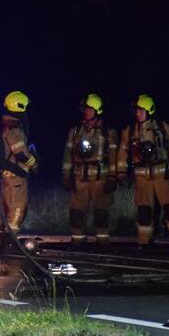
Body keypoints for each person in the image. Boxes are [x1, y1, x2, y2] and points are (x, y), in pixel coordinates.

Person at [116, 94, 169, 246]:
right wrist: (121, 173)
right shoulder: (130, 130)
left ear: (149, 110)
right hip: (142, 177)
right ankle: (144, 242)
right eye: (136, 110)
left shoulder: (162, 127)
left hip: (162, 175)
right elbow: (122, 151)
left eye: (141, 110)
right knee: (144, 212)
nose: (137, 113)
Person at [62, 93, 118, 245]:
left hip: (101, 180)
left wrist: (112, 177)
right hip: (79, 179)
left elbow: (114, 156)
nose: (86, 112)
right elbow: (68, 154)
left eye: (90, 109)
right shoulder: (75, 131)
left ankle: (102, 242)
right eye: (85, 109)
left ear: (97, 110)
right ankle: (77, 242)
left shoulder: (107, 132)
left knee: (101, 213)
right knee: (76, 213)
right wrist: (66, 175)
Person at [0, 91, 38, 238]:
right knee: (17, 210)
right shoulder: (13, 128)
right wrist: (34, 164)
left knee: (8, 210)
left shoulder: (5, 126)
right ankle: (10, 239)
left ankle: (3, 238)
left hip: (8, 176)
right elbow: (21, 153)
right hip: (16, 177)